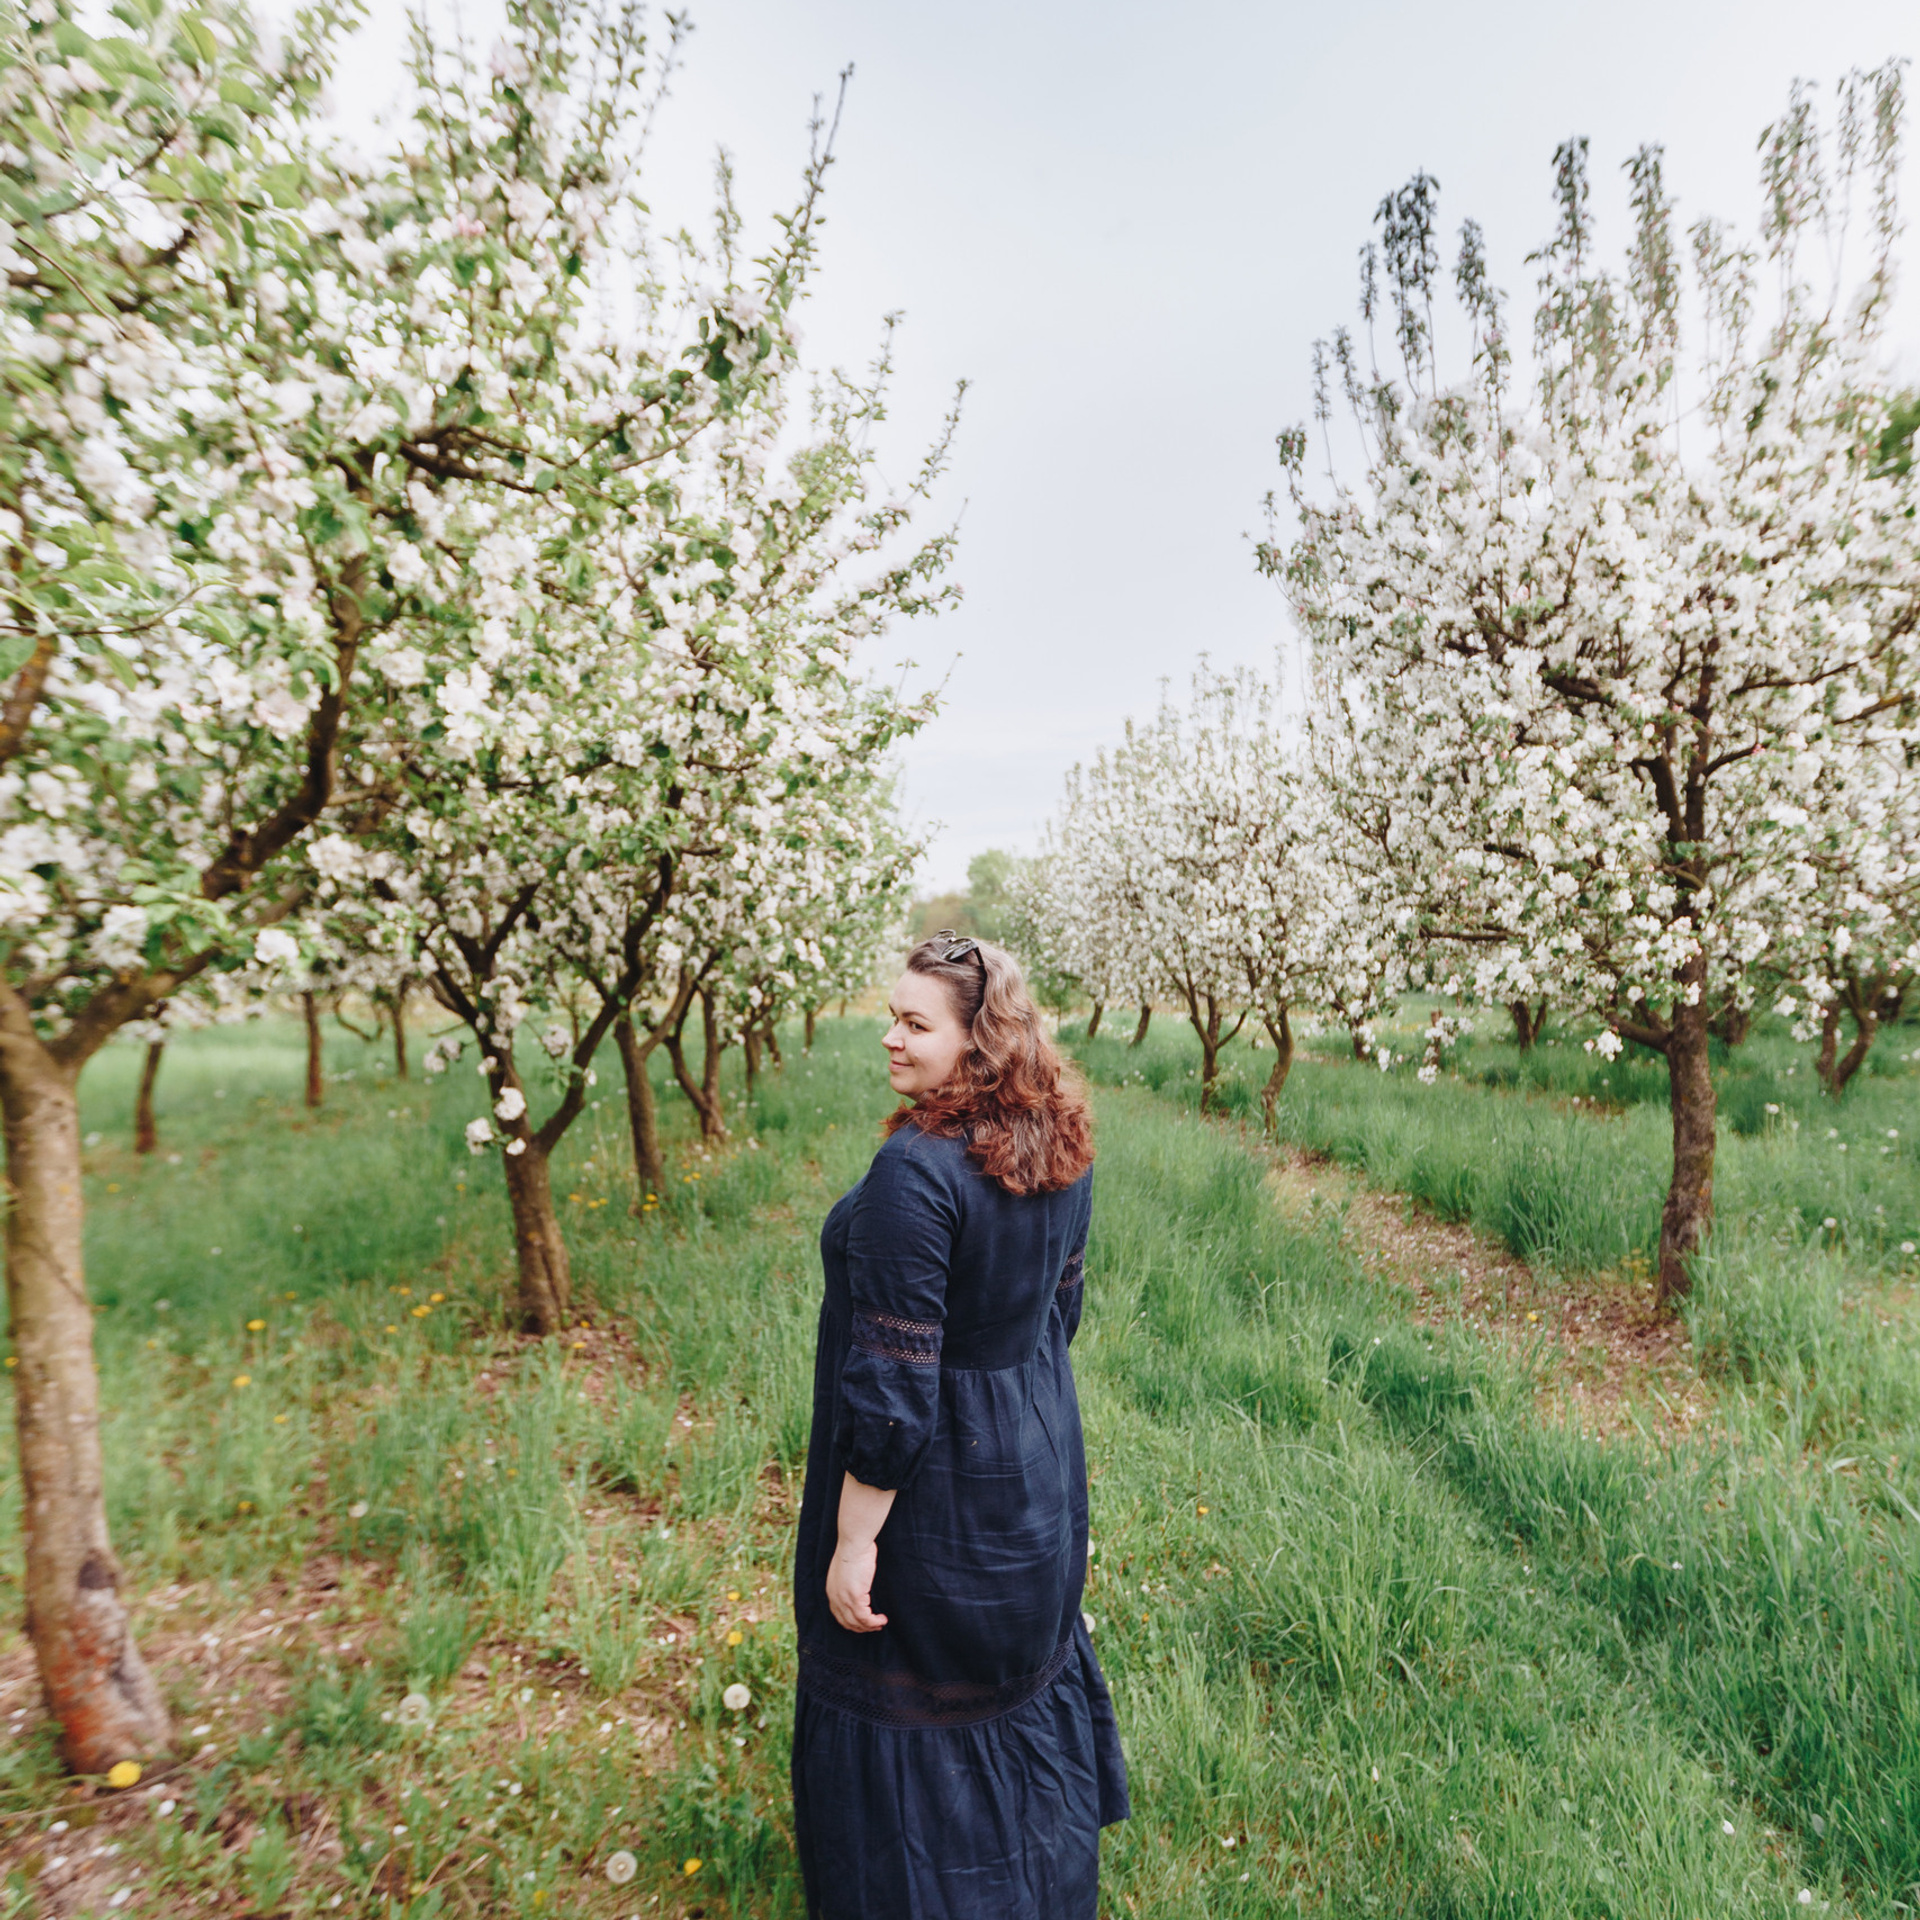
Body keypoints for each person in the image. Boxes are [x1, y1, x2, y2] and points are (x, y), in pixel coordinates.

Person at [790, 934, 1130, 1918]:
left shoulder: (915, 1173)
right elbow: (1057, 1318)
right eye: (890, 1016)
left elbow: (893, 1402)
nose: (888, 1039)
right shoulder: (1058, 1140)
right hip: (1034, 1466)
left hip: (937, 1500)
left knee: (909, 1692)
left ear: (977, 1040)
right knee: (1010, 1686)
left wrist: (855, 1543)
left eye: (914, 1024)